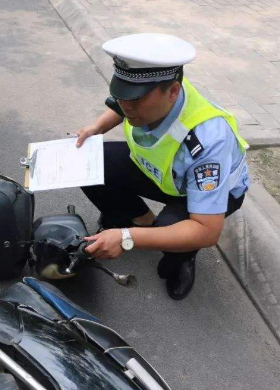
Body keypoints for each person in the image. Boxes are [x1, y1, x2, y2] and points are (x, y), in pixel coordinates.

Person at [76, 33, 250, 300]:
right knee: (87, 163)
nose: (126, 106)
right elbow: (121, 105)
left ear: (172, 92)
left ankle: (181, 257)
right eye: (122, 96)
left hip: (212, 193)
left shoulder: (208, 141)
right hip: (164, 174)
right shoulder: (155, 87)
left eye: (135, 100)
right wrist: (96, 127)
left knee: (173, 234)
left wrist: (125, 238)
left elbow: (207, 230)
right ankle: (139, 220)